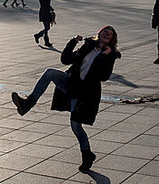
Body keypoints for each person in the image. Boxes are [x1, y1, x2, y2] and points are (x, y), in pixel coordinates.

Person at [12, 26, 121, 172]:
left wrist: (105, 56)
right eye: (105, 32)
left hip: (85, 92)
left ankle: (87, 154)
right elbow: (66, 60)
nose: (107, 35)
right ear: (99, 33)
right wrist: (72, 42)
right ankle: (28, 103)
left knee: (75, 125)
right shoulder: (88, 46)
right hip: (71, 83)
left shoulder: (110, 55)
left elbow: (104, 76)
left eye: (110, 34)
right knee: (50, 73)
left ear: (112, 39)